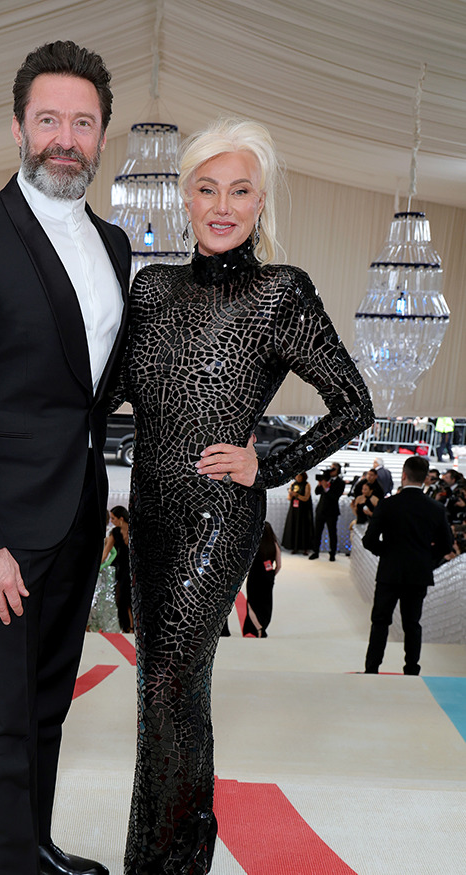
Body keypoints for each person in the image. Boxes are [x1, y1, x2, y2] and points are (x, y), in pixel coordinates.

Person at [121, 117, 373, 873]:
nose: (222, 205)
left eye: (240, 190)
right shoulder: (151, 287)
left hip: (216, 514)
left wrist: (269, 462)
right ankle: (185, 844)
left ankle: (158, 863)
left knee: (166, 677)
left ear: (261, 202)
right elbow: (115, 393)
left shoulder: (279, 293)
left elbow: (353, 403)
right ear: (185, 198)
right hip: (150, 510)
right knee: (167, 684)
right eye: (206, 189)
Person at [0, 41, 129, 875]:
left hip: (77, 510)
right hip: (2, 522)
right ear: (17, 127)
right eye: (49, 120)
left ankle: (34, 847)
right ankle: (11, 863)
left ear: (102, 135)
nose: (64, 138)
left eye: (82, 122)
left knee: (47, 701)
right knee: (2, 710)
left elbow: (98, 383)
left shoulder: (114, 245)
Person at [363, 455, 453, 675]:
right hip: (418, 572)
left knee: (380, 621)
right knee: (412, 623)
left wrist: (388, 552)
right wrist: (426, 559)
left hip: (390, 571)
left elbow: (369, 540)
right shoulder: (435, 508)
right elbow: (447, 544)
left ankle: (372, 668)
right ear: (425, 480)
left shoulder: (388, 504)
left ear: (403, 475)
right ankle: (412, 669)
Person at [242, 521, 281, 637]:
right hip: (268, 576)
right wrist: (272, 575)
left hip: (255, 576)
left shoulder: (254, 545)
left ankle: (258, 628)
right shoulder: (274, 545)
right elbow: (279, 565)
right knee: (266, 602)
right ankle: (263, 626)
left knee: (252, 603)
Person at [101, 505, 132, 632]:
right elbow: (106, 552)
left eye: (113, 519)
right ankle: (126, 626)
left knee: (130, 597)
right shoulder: (114, 533)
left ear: (121, 518)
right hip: (122, 569)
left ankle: (132, 626)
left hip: (133, 570)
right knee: (122, 598)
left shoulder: (134, 530)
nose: (111, 521)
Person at [308, 461, 345, 561]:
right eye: (331, 468)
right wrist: (320, 485)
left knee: (332, 533)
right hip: (321, 510)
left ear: (338, 471)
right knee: (317, 533)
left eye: (334, 469)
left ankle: (332, 553)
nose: (331, 471)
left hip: (332, 512)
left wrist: (326, 488)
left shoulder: (340, 482)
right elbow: (317, 492)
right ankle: (315, 552)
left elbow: (335, 496)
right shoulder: (325, 479)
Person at [281, 471, 313, 553]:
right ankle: (294, 547)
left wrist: (297, 495)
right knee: (294, 527)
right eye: (296, 476)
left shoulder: (307, 485)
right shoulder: (293, 484)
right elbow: (289, 498)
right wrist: (291, 494)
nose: (298, 478)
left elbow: (306, 498)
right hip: (294, 510)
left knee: (304, 528)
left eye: (299, 477)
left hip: (303, 510)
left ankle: (305, 548)